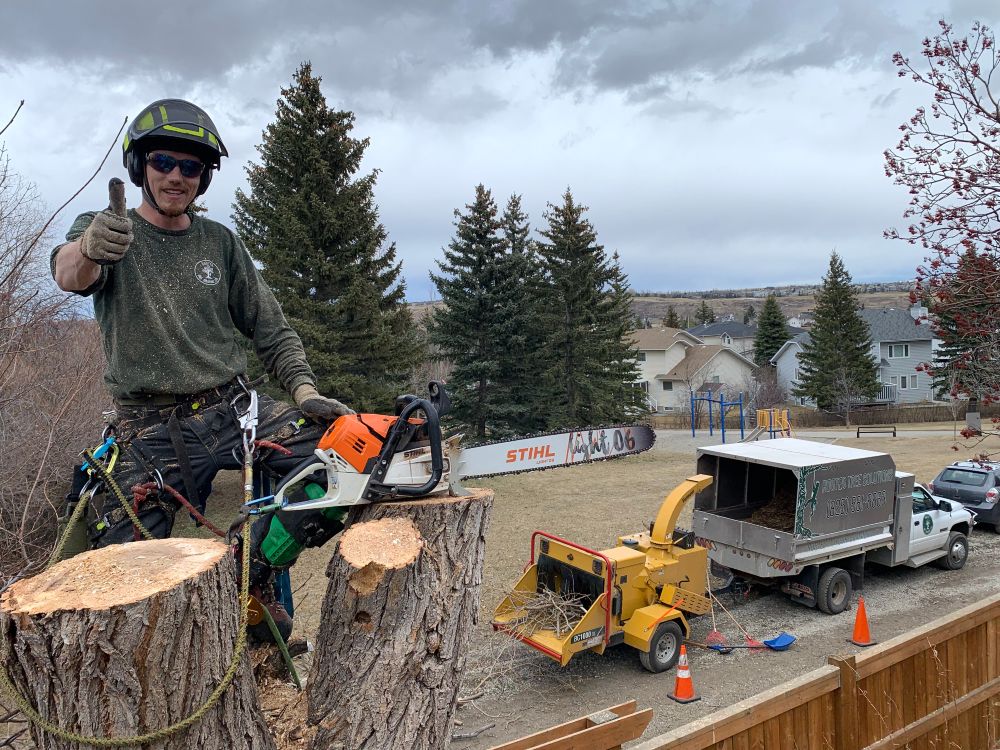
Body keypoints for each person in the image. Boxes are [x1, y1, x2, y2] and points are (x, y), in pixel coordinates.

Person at [51, 98, 350, 641]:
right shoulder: (107, 230)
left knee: (344, 464)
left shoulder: (221, 244)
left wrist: (304, 392)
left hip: (233, 408)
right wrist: (92, 247)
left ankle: (249, 581)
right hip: (147, 431)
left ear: (203, 177)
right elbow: (70, 272)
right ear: (139, 165)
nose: (176, 176)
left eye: (191, 167)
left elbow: (271, 329)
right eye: (163, 161)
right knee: (126, 584)